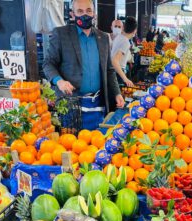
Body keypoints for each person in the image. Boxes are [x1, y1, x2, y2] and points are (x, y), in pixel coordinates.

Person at [43, 0, 124, 130]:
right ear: (72, 14)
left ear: (94, 14)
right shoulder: (61, 34)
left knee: (96, 144)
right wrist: (59, 81)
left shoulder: (103, 37)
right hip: (71, 105)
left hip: (98, 104)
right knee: (72, 145)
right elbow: (48, 64)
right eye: (80, 11)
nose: (85, 15)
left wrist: (117, 93)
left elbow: (109, 70)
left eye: (88, 11)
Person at [111, 16, 136, 88]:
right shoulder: (125, 42)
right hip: (118, 73)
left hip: (113, 72)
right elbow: (115, 61)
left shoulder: (119, 37)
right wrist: (125, 79)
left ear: (123, 27)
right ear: (134, 31)